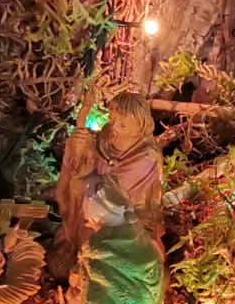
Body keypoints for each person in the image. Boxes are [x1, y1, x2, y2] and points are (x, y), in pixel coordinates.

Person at [52, 93, 163, 277]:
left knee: (97, 242)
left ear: (140, 127)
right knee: (69, 244)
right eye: (112, 119)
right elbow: (90, 155)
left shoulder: (146, 158)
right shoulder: (105, 139)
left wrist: (83, 176)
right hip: (94, 211)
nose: (115, 128)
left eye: (123, 125)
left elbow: (112, 192)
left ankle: (94, 268)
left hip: (124, 217)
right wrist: (80, 144)